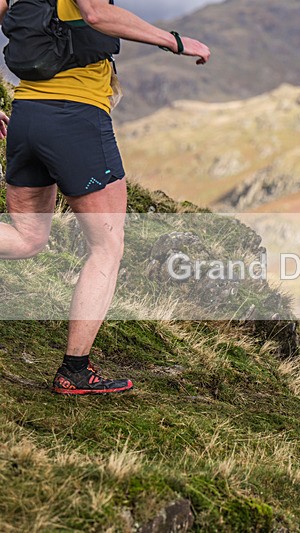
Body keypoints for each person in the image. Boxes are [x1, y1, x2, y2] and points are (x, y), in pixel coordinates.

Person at [0, 0, 210, 394]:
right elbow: (97, 13)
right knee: (107, 246)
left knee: (27, 237)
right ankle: (75, 371)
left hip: (26, 113)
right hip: (75, 116)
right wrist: (175, 41)